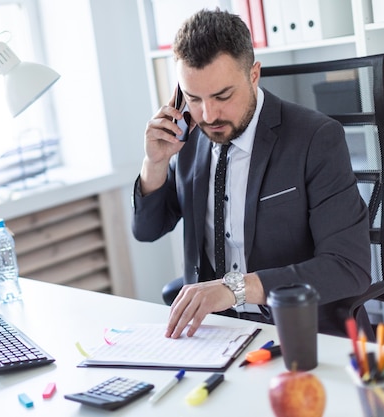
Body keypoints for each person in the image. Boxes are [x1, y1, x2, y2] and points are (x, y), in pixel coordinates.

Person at [131, 9, 371, 340]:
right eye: (194, 98)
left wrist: (235, 288)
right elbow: (147, 230)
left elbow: (348, 269)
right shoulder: (185, 138)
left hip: (297, 330)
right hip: (214, 333)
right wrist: (154, 162)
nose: (209, 114)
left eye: (222, 95)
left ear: (254, 75)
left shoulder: (315, 139)